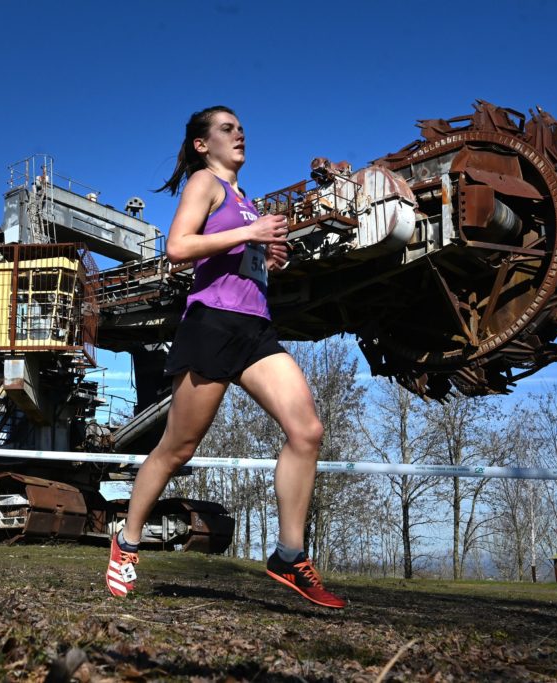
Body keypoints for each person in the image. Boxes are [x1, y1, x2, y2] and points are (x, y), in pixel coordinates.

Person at [105, 106, 346, 608]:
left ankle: (289, 554)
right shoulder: (205, 182)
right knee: (177, 448)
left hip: (255, 328)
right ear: (202, 144)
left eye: (241, 129)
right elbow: (177, 247)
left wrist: (269, 259)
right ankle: (126, 543)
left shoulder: (247, 201)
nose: (239, 135)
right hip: (211, 324)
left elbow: (240, 261)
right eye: (227, 129)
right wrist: (248, 235)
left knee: (307, 431)